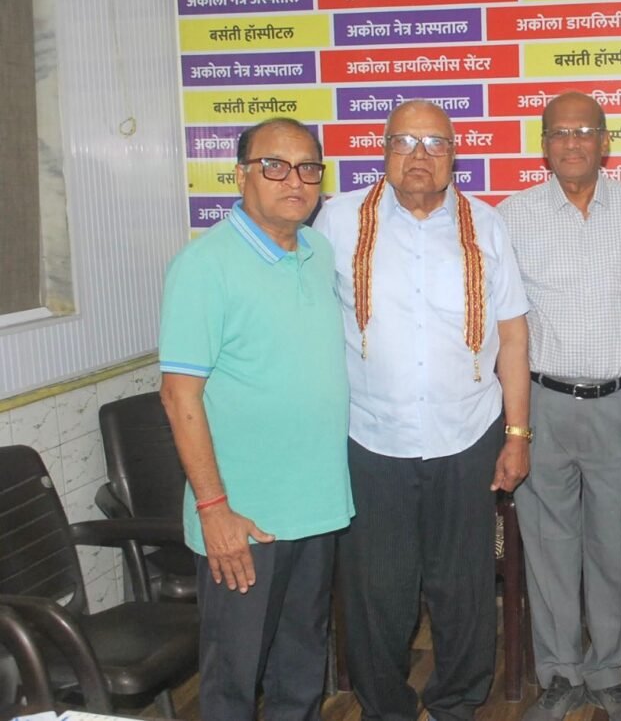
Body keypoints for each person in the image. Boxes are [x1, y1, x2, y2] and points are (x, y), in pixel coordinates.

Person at [314, 100, 531, 721]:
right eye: (404, 142)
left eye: (435, 144)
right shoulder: (337, 221)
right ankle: (384, 706)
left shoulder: (486, 225)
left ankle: (457, 703)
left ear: (454, 155)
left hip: (466, 435)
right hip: (370, 437)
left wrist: (517, 434)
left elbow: (512, 336)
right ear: (382, 150)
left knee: (462, 586)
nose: (419, 156)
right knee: (376, 591)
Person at [159, 117, 353, 721]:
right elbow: (179, 396)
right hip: (243, 520)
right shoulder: (204, 266)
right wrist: (214, 509)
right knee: (233, 683)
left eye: (308, 168)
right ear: (241, 175)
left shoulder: (319, 252)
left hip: (315, 508)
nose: (294, 181)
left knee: (301, 673)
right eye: (275, 166)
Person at [498, 91, 621, 721]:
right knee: (548, 548)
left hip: (620, 403)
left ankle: (607, 672)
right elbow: (506, 329)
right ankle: (561, 674)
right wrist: (515, 425)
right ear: (543, 146)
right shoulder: (512, 216)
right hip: (543, 405)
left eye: (584, 131)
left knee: (615, 545)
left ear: (605, 140)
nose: (572, 143)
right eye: (559, 133)